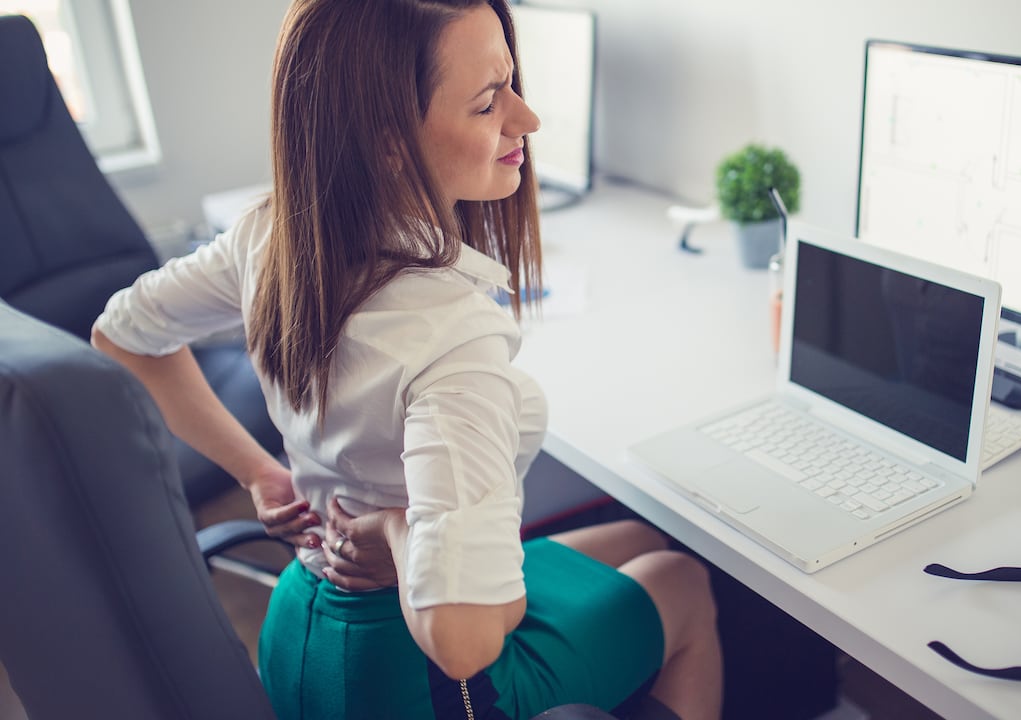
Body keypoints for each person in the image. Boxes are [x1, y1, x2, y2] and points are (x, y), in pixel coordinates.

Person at [90, 1, 723, 718]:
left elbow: (121, 333)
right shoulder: (451, 341)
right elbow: (463, 642)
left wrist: (262, 476)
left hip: (301, 619)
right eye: (489, 104)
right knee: (680, 580)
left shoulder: (274, 234)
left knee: (636, 536)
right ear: (388, 142)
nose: (527, 119)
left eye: (511, 84)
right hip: (412, 675)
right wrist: (397, 531)